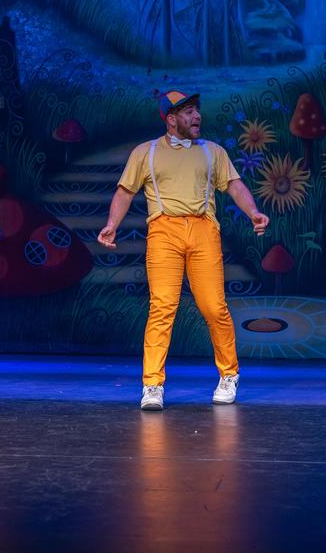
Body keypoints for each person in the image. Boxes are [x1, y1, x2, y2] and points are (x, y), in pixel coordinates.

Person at [97, 90, 269, 410]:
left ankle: (229, 375)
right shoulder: (145, 152)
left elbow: (234, 185)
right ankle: (152, 384)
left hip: (203, 230)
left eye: (196, 110)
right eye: (188, 111)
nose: (197, 116)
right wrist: (111, 224)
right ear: (171, 118)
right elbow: (125, 191)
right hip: (164, 231)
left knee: (214, 307)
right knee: (162, 307)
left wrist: (253, 212)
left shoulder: (212, 152)